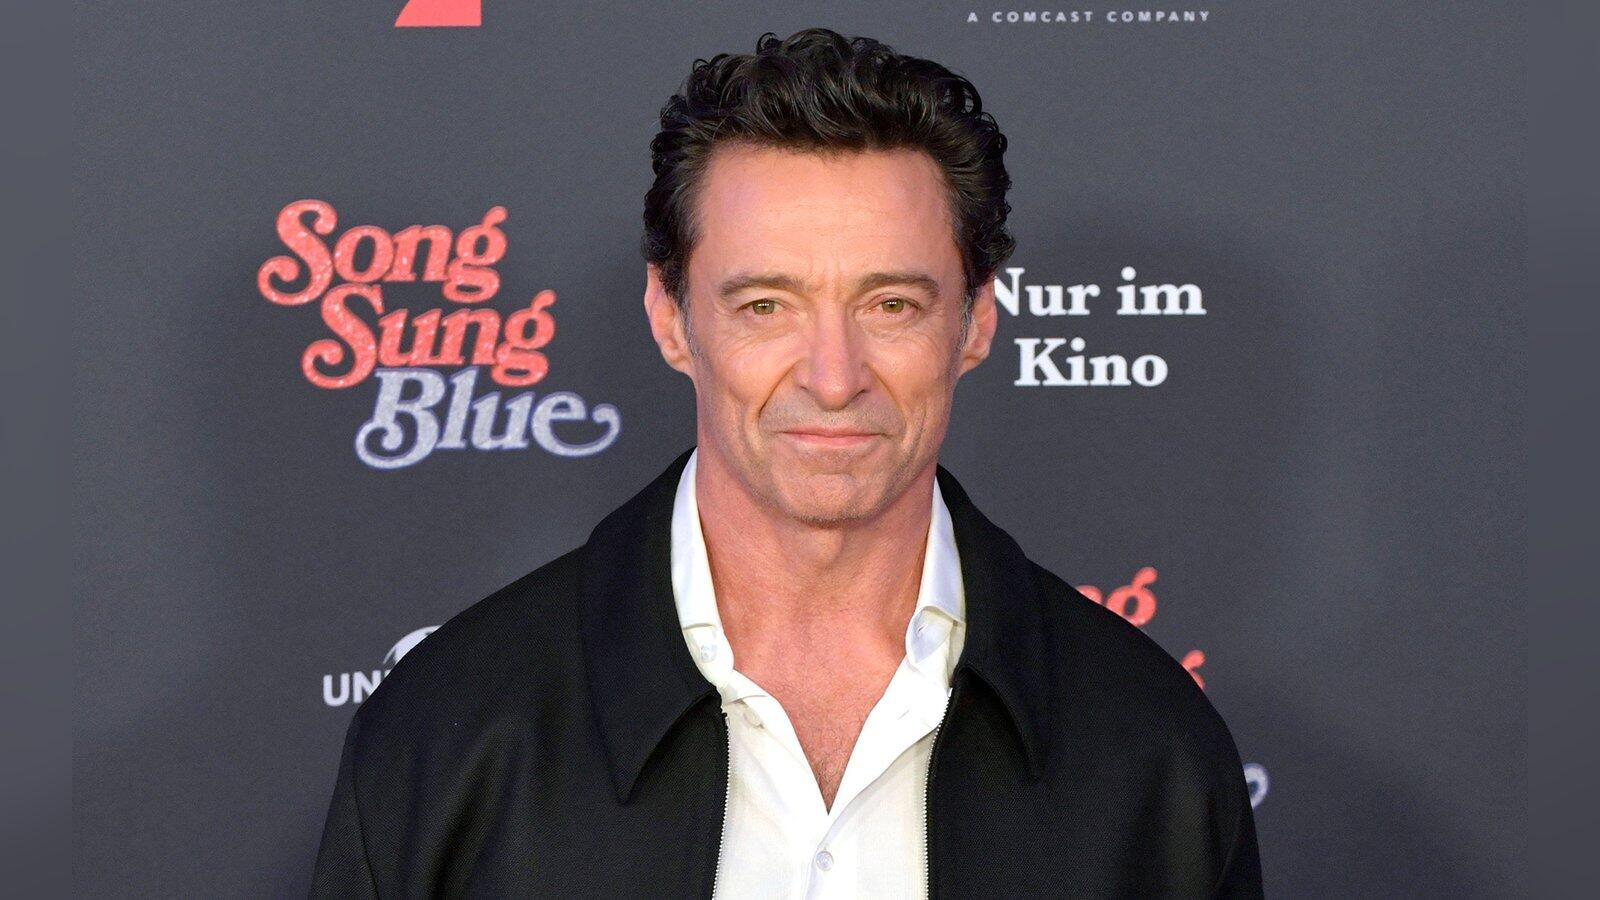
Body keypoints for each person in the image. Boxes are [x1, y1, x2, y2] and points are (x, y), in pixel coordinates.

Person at [310, 27, 1262, 898]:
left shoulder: (1150, 751)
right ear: (670, 318)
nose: (834, 377)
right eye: (766, 306)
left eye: (892, 305)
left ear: (976, 322)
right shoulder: (452, 729)